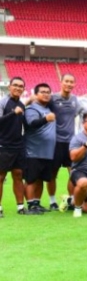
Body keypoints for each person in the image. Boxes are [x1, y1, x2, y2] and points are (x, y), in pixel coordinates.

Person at [48, 73, 82, 211]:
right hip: (55, 142)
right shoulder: (52, 99)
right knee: (52, 173)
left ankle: (71, 199)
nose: (69, 84)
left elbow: (81, 114)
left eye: (71, 82)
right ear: (61, 82)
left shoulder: (75, 100)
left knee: (73, 172)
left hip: (70, 142)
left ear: (74, 84)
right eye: (66, 81)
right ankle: (52, 201)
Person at [23, 83, 56, 214]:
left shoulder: (49, 109)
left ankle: (36, 203)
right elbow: (32, 123)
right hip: (33, 151)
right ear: (36, 94)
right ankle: (30, 205)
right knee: (31, 179)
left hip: (47, 152)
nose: (46, 94)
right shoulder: (31, 109)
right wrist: (46, 119)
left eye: (48, 92)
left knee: (41, 178)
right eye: (42, 92)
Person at [0, 77, 27, 217]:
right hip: (3, 145)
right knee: (1, 176)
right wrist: (13, 113)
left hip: (18, 146)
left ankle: (20, 207)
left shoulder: (22, 105)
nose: (18, 88)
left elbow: (23, 126)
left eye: (21, 86)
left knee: (18, 175)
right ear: (9, 87)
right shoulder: (3, 102)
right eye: (15, 85)